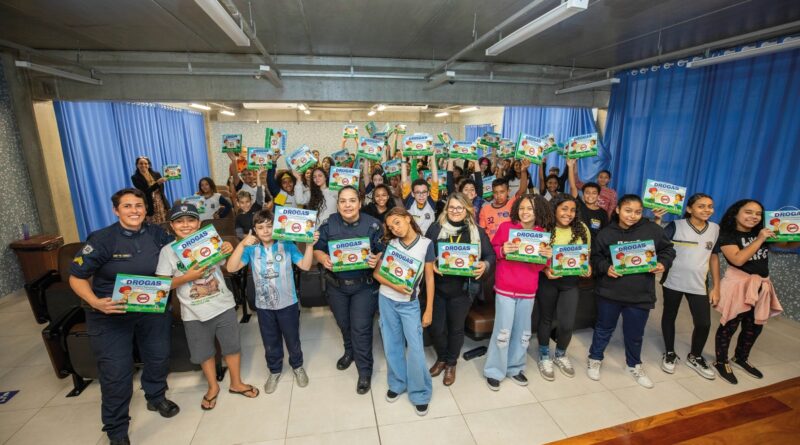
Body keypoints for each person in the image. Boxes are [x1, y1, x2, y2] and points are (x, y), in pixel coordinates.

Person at [69, 188, 178, 445]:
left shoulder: (158, 234)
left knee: (158, 357)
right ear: (116, 210)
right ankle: (117, 430)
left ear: (146, 209)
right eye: (127, 206)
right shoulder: (102, 239)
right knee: (116, 373)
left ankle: (156, 397)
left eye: (138, 205)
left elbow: (181, 253)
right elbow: (76, 277)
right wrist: (95, 302)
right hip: (111, 313)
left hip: (151, 308)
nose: (134, 211)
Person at [156, 204, 258, 410]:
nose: (186, 225)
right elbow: (162, 284)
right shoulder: (167, 252)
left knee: (232, 346)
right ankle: (213, 387)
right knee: (204, 352)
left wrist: (227, 248)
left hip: (223, 304)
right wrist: (187, 277)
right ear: (171, 226)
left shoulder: (209, 240)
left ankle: (236, 383)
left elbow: (225, 264)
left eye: (191, 220)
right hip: (193, 312)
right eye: (179, 221)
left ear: (199, 223)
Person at [587, 195, 676, 388]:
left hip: (640, 294)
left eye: (637, 212)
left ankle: (634, 364)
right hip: (610, 292)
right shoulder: (606, 233)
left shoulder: (652, 230)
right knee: (603, 329)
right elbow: (595, 257)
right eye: (628, 211)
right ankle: (595, 358)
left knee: (635, 333)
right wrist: (606, 267)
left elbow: (668, 250)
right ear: (618, 210)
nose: (632, 216)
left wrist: (663, 263)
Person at [227, 209, 317, 393]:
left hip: (288, 303)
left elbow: (306, 265)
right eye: (260, 228)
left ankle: (297, 366)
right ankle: (275, 370)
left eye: (269, 226)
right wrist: (242, 244)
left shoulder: (287, 244)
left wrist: (309, 246)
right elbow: (231, 268)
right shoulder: (251, 249)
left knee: (292, 338)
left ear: (276, 227)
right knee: (270, 340)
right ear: (254, 230)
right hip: (264, 306)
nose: (266, 231)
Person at [711, 199, 799, 384]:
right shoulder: (727, 234)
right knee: (729, 325)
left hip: (761, 286)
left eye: (758, 214)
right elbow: (738, 259)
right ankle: (721, 361)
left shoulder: (761, 231)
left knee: (755, 326)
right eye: (748, 212)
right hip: (738, 285)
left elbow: (787, 245)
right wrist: (760, 239)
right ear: (736, 213)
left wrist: (794, 233)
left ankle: (740, 357)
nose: (754, 217)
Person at [313, 186, 385, 394]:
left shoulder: (373, 225)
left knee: (361, 328)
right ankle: (349, 351)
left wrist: (377, 258)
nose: (347, 205)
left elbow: (384, 251)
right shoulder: (329, 224)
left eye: (352, 200)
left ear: (359, 203)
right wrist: (323, 259)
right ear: (338, 205)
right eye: (343, 201)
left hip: (364, 286)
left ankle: (364, 371)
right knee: (344, 324)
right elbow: (318, 249)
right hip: (337, 286)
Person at [484, 194, 554, 390]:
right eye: (522, 208)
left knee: (523, 333)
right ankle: (494, 371)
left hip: (528, 290)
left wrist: (547, 257)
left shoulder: (542, 234)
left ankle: (515, 368)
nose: (525, 212)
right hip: (505, 288)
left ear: (538, 211)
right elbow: (493, 251)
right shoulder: (506, 228)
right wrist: (503, 250)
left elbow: (540, 267)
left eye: (530, 209)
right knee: (502, 331)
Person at [426, 193, 495, 386]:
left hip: (463, 290)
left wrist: (485, 265)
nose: (455, 211)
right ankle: (441, 357)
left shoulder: (476, 231)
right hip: (438, 288)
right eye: (451, 207)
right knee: (437, 328)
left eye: (459, 207)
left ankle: (450, 363)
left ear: (467, 209)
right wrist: (431, 264)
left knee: (456, 328)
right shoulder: (435, 228)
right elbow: (424, 252)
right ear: (446, 209)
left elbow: (490, 255)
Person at [373, 207, 436, 416]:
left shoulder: (426, 244)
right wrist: (395, 287)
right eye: (391, 227)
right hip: (386, 300)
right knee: (392, 345)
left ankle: (420, 392)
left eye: (397, 223)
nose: (395, 229)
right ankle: (397, 383)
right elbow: (378, 274)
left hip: (409, 305)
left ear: (408, 218)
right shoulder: (391, 244)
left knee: (416, 349)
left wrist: (429, 310)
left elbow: (429, 279)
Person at [657, 193, 720, 380]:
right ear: (690, 209)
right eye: (701, 206)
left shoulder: (715, 229)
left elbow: (714, 257)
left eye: (710, 206)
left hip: (698, 283)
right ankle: (669, 352)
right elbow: (658, 243)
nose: (707, 210)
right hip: (673, 281)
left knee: (703, 323)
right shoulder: (676, 225)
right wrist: (658, 220)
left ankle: (695, 356)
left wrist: (717, 286)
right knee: (669, 316)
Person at [537, 195, 592, 381]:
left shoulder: (582, 228)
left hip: (570, 283)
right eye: (564, 209)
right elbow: (536, 257)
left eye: (572, 210)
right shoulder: (544, 228)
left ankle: (560, 354)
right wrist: (545, 269)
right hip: (548, 281)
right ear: (554, 209)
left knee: (567, 323)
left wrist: (588, 267)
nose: (568, 213)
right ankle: (544, 355)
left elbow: (586, 256)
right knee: (545, 319)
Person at [479, 161, 530, 240]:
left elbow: (522, 190)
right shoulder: (485, 209)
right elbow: (481, 232)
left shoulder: (512, 203)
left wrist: (523, 171)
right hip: (491, 246)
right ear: (492, 192)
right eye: (495, 192)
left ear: (508, 191)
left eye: (502, 192)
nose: (498, 195)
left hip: (511, 244)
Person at [567, 159, 608, 238]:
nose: (590, 196)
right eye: (587, 192)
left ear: (598, 196)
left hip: (595, 245)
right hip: (578, 244)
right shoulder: (579, 206)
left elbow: (605, 234)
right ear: (583, 195)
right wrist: (570, 166)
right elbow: (573, 187)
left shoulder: (603, 213)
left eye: (594, 193)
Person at [401, 154, 440, 235]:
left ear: (428, 193)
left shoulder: (431, 200)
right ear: (412, 194)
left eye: (424, 192)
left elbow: (435, 180)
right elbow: (404, 180)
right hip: (412, 238)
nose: (421, 195)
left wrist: (433, 157)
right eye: (418, 192)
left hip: (428, 239)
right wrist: (403, 158)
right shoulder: (409, 201)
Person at [131, 156, 169, 224]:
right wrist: (157, 183)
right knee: (152, 224)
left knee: (165, 223)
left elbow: (161, 190)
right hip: (149, 203)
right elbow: (145, 192)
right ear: (137, 165)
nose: (143, 165)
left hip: (160, 201)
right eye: (141, 163)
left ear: (149, 165)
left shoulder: (157, 174)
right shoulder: (135, 178)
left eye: (146, 163)